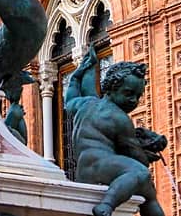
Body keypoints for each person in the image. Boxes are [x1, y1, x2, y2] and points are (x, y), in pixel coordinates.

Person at [65, 48, 167, 216]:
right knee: (141, 174)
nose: (133, 101)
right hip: (102, 168)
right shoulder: (120, 119)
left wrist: (77, 75)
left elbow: (70, 99)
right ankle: (106, 205)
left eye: (137, 96)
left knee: (148, 191)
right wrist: (147, 152)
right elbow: (137, 158)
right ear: (111, 89)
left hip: (84, 170)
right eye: (128, 94)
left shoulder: (86, 104)